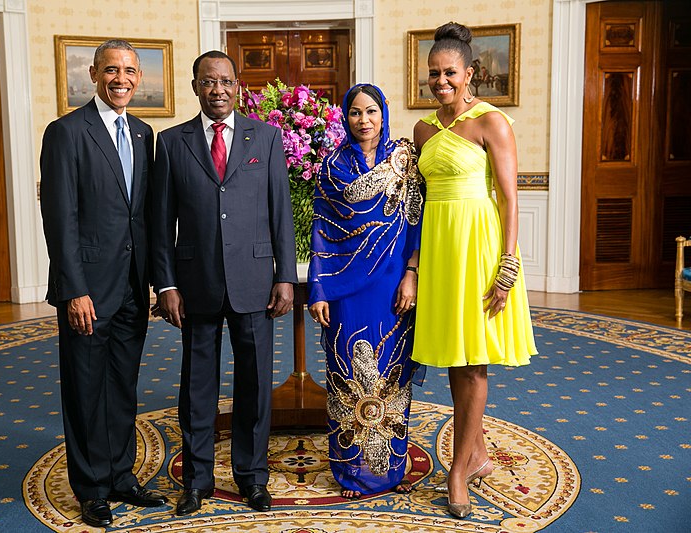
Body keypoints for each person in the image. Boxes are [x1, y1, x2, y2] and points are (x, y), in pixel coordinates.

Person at [149, 50, 297, 516]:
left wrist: (286, 277)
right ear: (195, 86)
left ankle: (252, 478)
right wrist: (166, 284)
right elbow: (160, 223)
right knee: (197, 388)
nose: (217, 89)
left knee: (255, 386)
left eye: (225, 82)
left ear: (238, 87)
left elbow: (280, 214)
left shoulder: (267, 138)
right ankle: (196, 481)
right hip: (196, 284)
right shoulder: (172, 142)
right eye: (208, 82)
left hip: (255, 281)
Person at [411, 22, 537, 519]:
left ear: (470, 73)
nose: (440, 82)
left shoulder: (492, 123)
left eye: (449, 73)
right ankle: (478, 453)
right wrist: (415, 265)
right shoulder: (422, 130)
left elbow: (509, 198)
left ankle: (457, 470)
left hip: (481, 248)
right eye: (433, 74)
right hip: (440, 246)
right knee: (453, 357)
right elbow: (416, 200)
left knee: (475, 360)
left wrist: (507, 265)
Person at [40, 39, 168, 528]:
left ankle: (121, 476)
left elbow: (146, 216)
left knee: (122, 387)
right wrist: (74, 289)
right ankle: (92, 488)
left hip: (133, 287)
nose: (121, 79)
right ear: (93, 73)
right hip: (87, 290)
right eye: (111, 70)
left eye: (130, 71)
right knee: (86, 389)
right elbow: (61, 219)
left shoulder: (142, 133)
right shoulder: (66, 133)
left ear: (139, 78)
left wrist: (157, 281)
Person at [307, 84, 424, 499]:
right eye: (355, 113)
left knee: (392, 368)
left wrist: (412, 274)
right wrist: (318, 288)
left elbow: (414, 224)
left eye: (371, 112)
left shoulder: (404, 161)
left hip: (393, 283)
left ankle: (387, 469)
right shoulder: (331, 166)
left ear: (383, 113)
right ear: (345, 116)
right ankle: (351, 472)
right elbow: (322, 229)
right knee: (346, 370)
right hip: (344, 286)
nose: (363, 121)